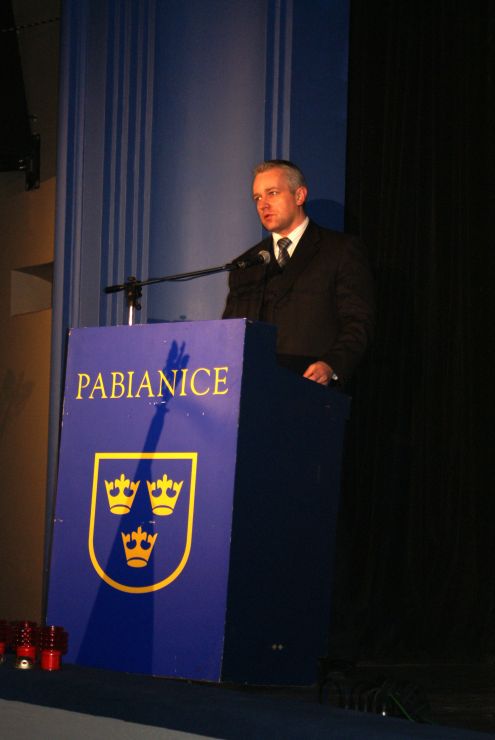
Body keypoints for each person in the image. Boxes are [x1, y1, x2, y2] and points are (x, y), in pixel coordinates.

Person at [222, 160, 375, 386]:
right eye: (257, 198)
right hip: (254, 388)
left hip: (312, 386)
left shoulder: (340, 251)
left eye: (272, 193)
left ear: (299, 195)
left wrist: (331, 364)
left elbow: (358, 322)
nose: (263, 204)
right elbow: (230, 333)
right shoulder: (245, 265)